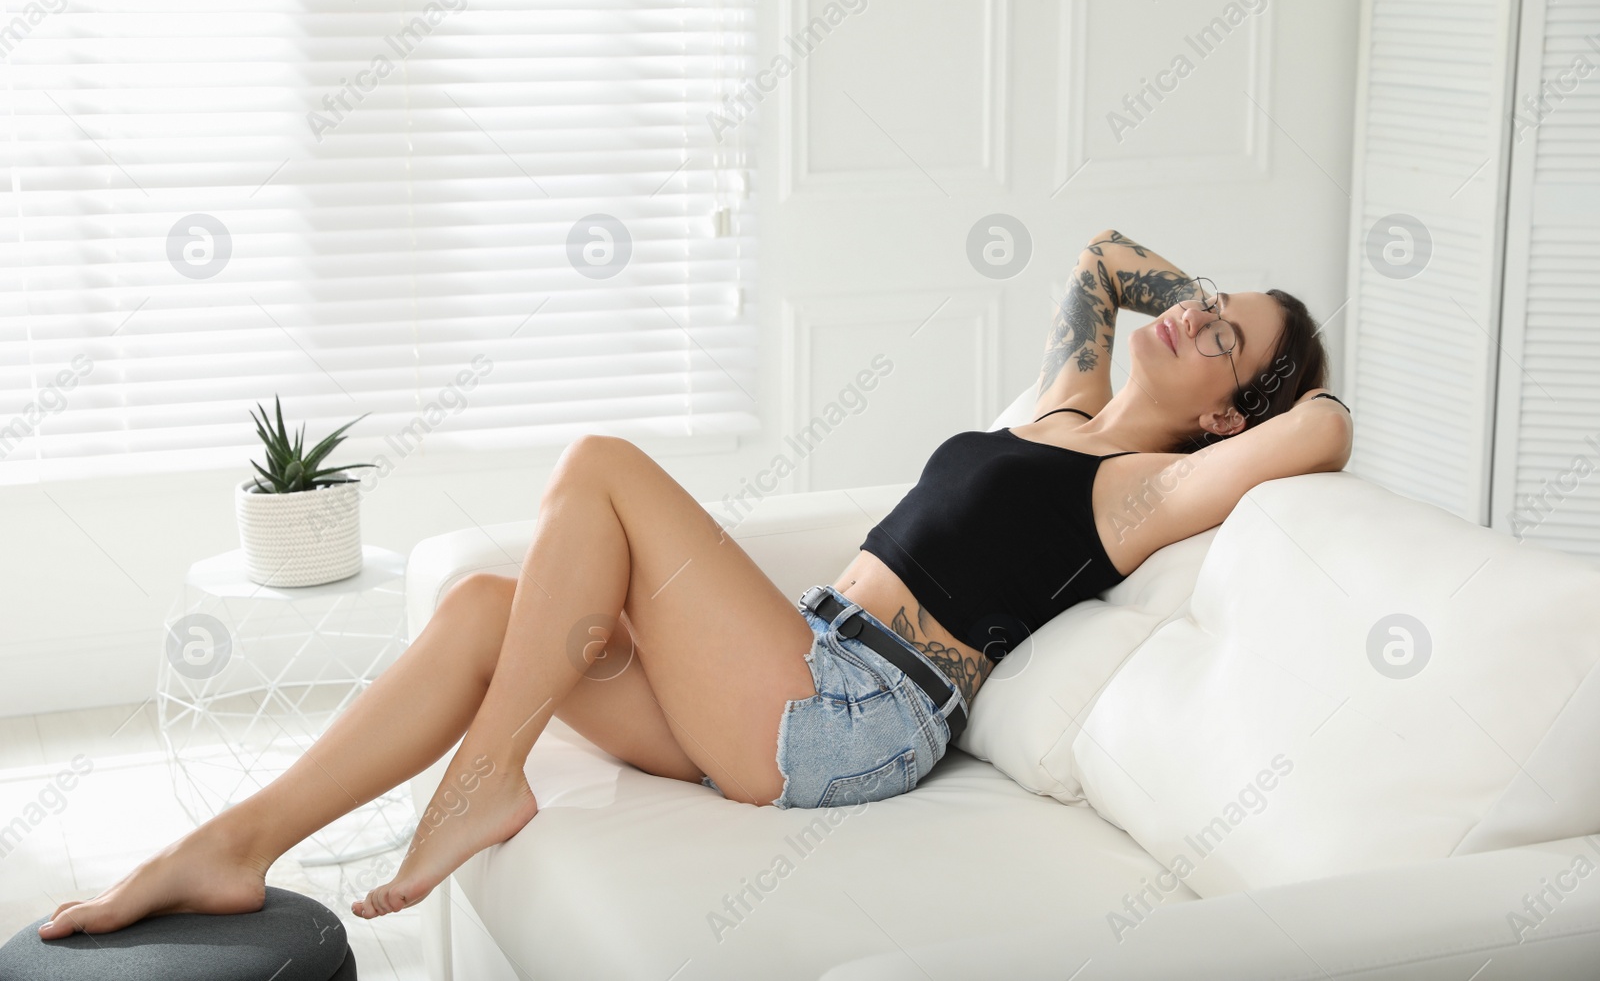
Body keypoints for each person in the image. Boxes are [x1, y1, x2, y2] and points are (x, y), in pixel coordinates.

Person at [39, 228, 1352, 936]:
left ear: (1227, 418)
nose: (1185, 315)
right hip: (800, 658)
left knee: (603, 466)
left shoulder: (1148, 490)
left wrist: (1266, 388)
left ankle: (484, 784)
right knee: (487, 608)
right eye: (1202, 299)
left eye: (1219, 334)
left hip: (855, 715)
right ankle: (233, 847)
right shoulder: (1066, 405)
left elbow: (1327, 428)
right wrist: (1196, 311)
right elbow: (1105, 256)